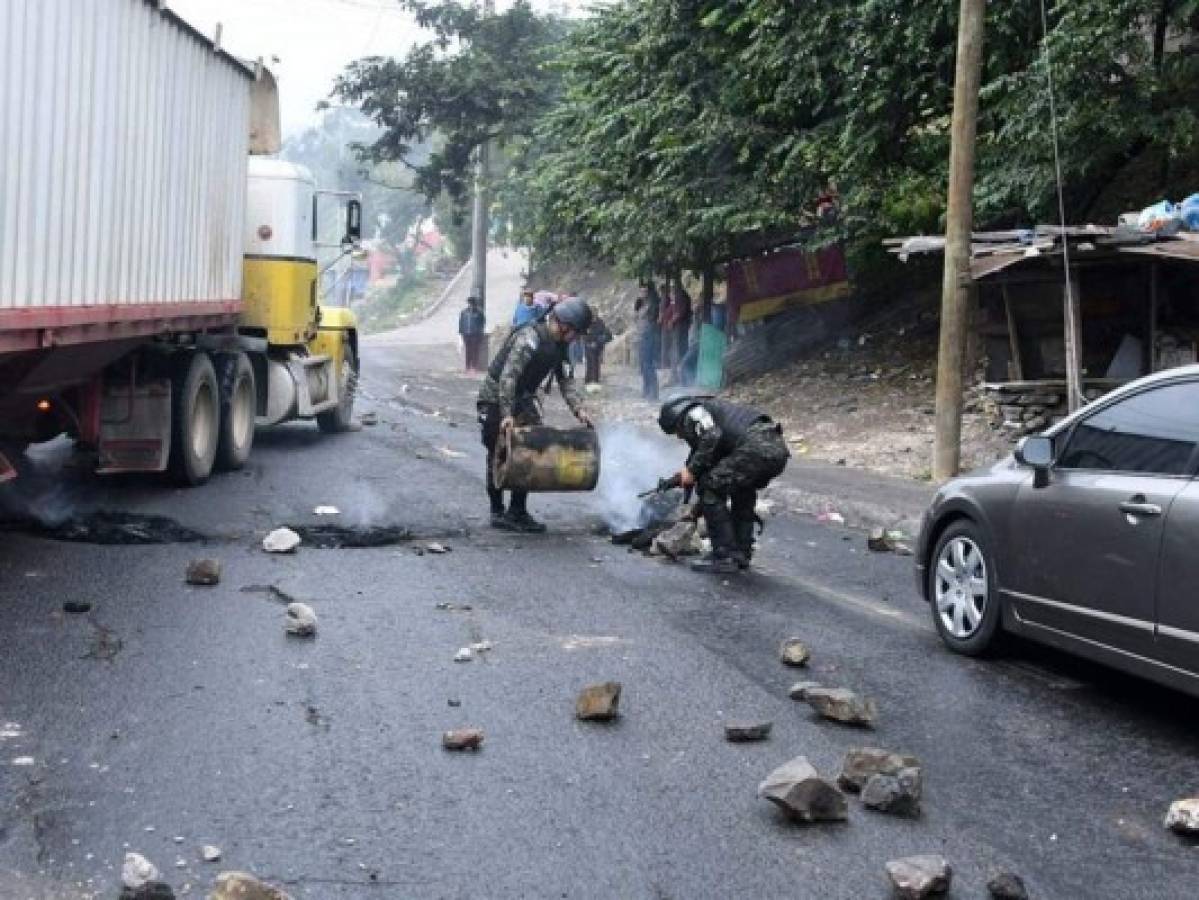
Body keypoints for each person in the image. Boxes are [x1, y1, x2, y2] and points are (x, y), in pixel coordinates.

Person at [478, 298, 596, 533]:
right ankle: (497, 512)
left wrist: (579, 409)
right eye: (575, 332)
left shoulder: (560, 346)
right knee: (499, 452)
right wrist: (506, 414)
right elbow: (508, 377)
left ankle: (518, 511)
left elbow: (566, 380)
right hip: (495, 398)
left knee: (532, 450)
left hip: (523, 398)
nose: (576, 338)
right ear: (563, 324)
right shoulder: (529, 338)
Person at [657, 394, 790, 574]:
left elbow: (711, 437)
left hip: (753, 449)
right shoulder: (714, 412)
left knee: (710, 487)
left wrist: (692, 472)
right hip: (776, 451)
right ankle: (741, 553)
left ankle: (724, 554)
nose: (680, 436)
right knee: (742, 491)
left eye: (677, 431)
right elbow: (711, 454)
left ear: (678, 416)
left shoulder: (694, 413)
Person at [635, 283, 660, 400]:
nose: (642, 293)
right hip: (641, 336)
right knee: (643, 365)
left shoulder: (652, 304)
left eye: (644, 291)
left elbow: (652, 321)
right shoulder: (641, 304)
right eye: (641, 291)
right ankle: (646, 389)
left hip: (648, 336)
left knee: (648, 365)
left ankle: (653, 392)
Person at [458, 296, 487, 374]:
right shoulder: (464, 312)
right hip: (466, 334)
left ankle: (474, 367)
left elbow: (483, 322)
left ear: (475, 304)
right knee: (468, 350)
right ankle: (467, 367)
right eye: (470, 303)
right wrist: (461, 333)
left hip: (476, 335)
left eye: (473, 303)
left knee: (475, 350)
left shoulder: (479, 313)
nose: (471, 305)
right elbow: (461, 323)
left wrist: (479, 331)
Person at [583, 315, 613, 384]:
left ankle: (594, 380)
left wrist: (597, 342)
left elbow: (606, 334)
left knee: (595, 364)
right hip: (589, 346)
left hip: (597, 346)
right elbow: (584, 335)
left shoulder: (600, 322)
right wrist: (589, 342)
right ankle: (589, 380)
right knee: (590, 364)